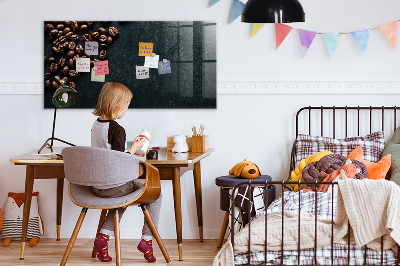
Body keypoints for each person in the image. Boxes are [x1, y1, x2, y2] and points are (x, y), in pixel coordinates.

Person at [91, 82, 161, 263]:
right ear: (118, 105)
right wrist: (136, 148)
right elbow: (119, 161)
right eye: (126, 105)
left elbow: (108, 154)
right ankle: (147, 240)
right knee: (156, 194)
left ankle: (103, 238)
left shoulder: (96, 125)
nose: (126, 109)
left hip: (97, 186)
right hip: (114, 186)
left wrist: (130, 149)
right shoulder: (117, 129)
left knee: (121, 197)